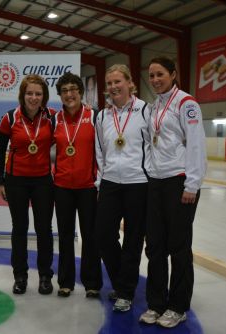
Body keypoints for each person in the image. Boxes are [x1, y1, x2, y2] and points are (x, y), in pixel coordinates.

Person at [140, 56, 207, 328]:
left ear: (174, 74)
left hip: (179, 182)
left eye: (160, 74)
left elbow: (196, 145)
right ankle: (156, 303)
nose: (155, 80)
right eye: (152, 75)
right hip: (155, 182)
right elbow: (151, 143)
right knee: (155, 245)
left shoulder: (186, 103)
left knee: (178, 247)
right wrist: (148, 170)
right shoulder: (155, 106)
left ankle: (178, 305)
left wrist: (192, 184)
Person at [95, 64, 151, 312]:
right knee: (103, 234)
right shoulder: (102, 116)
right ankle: (121, 281)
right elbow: (100, 151)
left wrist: (149, 176)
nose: (113, 87)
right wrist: (100, 181)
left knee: (133, 239)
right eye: (109, 83)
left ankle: (126, 292)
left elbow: (152, 147)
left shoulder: (145, 111)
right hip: (110, 183)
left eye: (118, 81)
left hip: (138, 183)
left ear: (130, 83)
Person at [0, 74, 55, 295]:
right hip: (16, 181)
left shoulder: (52, 117)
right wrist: (0, 181)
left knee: (44, 230)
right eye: (29, 93)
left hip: (42, 182)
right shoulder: (9, 118)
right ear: (22, 95)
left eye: (38, 94)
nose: (33, 97)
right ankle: (20, 276)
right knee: (19, 229)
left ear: (44, 96)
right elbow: (0, 150)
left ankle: (45, 276)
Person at [52, 72, 102, 298]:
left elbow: (103, 150)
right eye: (64, 91)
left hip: (88, 186)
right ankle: (65, 282)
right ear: (60, 95)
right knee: (64, 236)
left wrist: (100, 181)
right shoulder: (55, 120)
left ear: (80, 92)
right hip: (62, 186)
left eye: (73, 89)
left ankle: (92, 282)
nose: (69, 94)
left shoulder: (94, 116)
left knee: (90, 235)